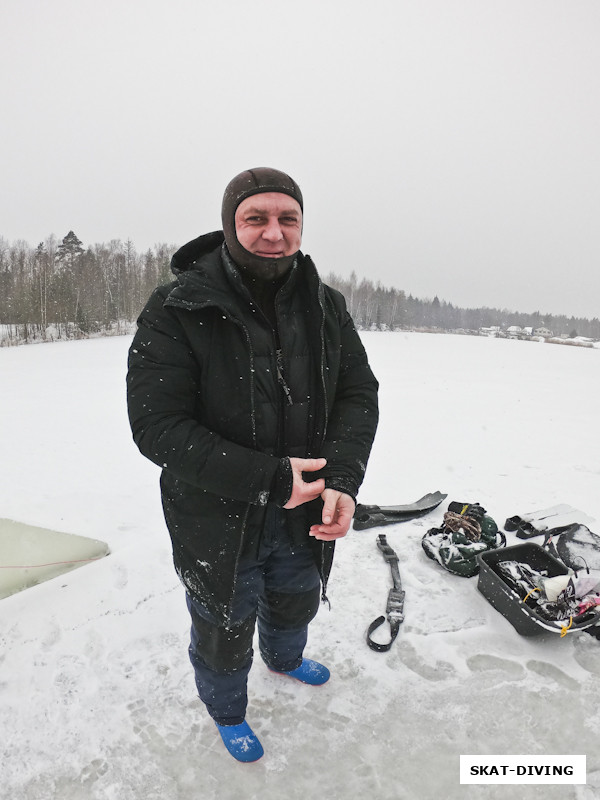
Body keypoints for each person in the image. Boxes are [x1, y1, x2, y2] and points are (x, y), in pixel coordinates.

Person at [126, 167, 378, 762]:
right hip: (216, 517)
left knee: (296, 600)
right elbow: (157, 427)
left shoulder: (326, 305)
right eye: (256, 218)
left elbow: (356, 393)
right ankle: (227, 709)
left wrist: (342, 479)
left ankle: (285, 659)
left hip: (306, 514)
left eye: (287, 218)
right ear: (229, 224)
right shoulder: (177, 306)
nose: (273, 233)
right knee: (223, 623)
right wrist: (269, 478)